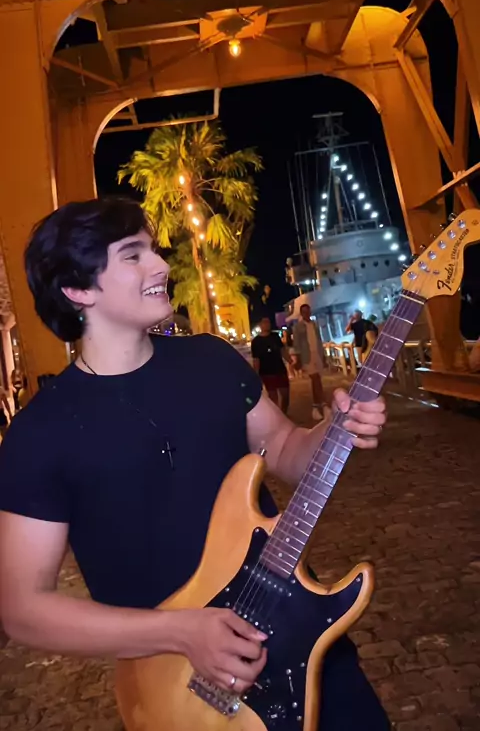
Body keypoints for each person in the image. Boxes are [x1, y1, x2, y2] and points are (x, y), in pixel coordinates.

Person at [0, 198, 389, 731]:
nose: (160, 266)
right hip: (180, 690)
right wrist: (181, 631)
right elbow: (23, 609)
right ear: (77, 289)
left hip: (304, 639)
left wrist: (336, 428)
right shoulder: (40, 433)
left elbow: (286, 449)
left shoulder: (212, 360)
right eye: (133, 255)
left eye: (153, 250)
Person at [292, 303, 327, 421]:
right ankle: (321, 405)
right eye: (304, 312)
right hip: (307, 356)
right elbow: (296, 344)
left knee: (318, 381)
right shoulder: (298, 327)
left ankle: (318, 405)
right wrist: (298, 359)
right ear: (301, 313)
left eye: (308, 311)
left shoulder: (314, 325)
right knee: (315, 379)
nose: (306, 313)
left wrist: (323, 356)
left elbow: (319, 340)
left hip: (317, 354)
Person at [251, 317, 290, 413]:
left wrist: (290, 360)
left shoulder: (275, 337)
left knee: (285, 394)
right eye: (264, 322)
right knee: (273, 396)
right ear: (260, 325)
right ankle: (277, 415)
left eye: (268, 322)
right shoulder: (256, 341)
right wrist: (256, 374)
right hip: (266, 372)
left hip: (279, 369)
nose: (267, 324)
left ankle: (283, 413)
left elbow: (282, 351)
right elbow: (256, 359)